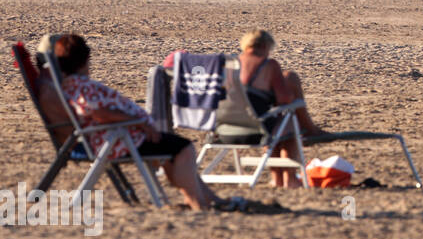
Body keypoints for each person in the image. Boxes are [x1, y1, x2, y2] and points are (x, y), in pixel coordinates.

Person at [53, 34, 224, 211]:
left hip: (117, 136)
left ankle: (206, 198)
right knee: (183, 149)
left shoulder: (70, 85)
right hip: (117, 140)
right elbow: (97, 112)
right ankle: (198, 202)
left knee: (171, 151)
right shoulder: (82, 87)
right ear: (84, 61)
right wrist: (139, 122)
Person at [237, 29, 326, 186]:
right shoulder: (268, 64)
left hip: (226, 127)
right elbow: (284, 98)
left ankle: (277, 179)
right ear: (265, 46)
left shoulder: (231, 63)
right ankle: (290, 178)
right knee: (289, 121)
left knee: (275, 122)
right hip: (258, 128)